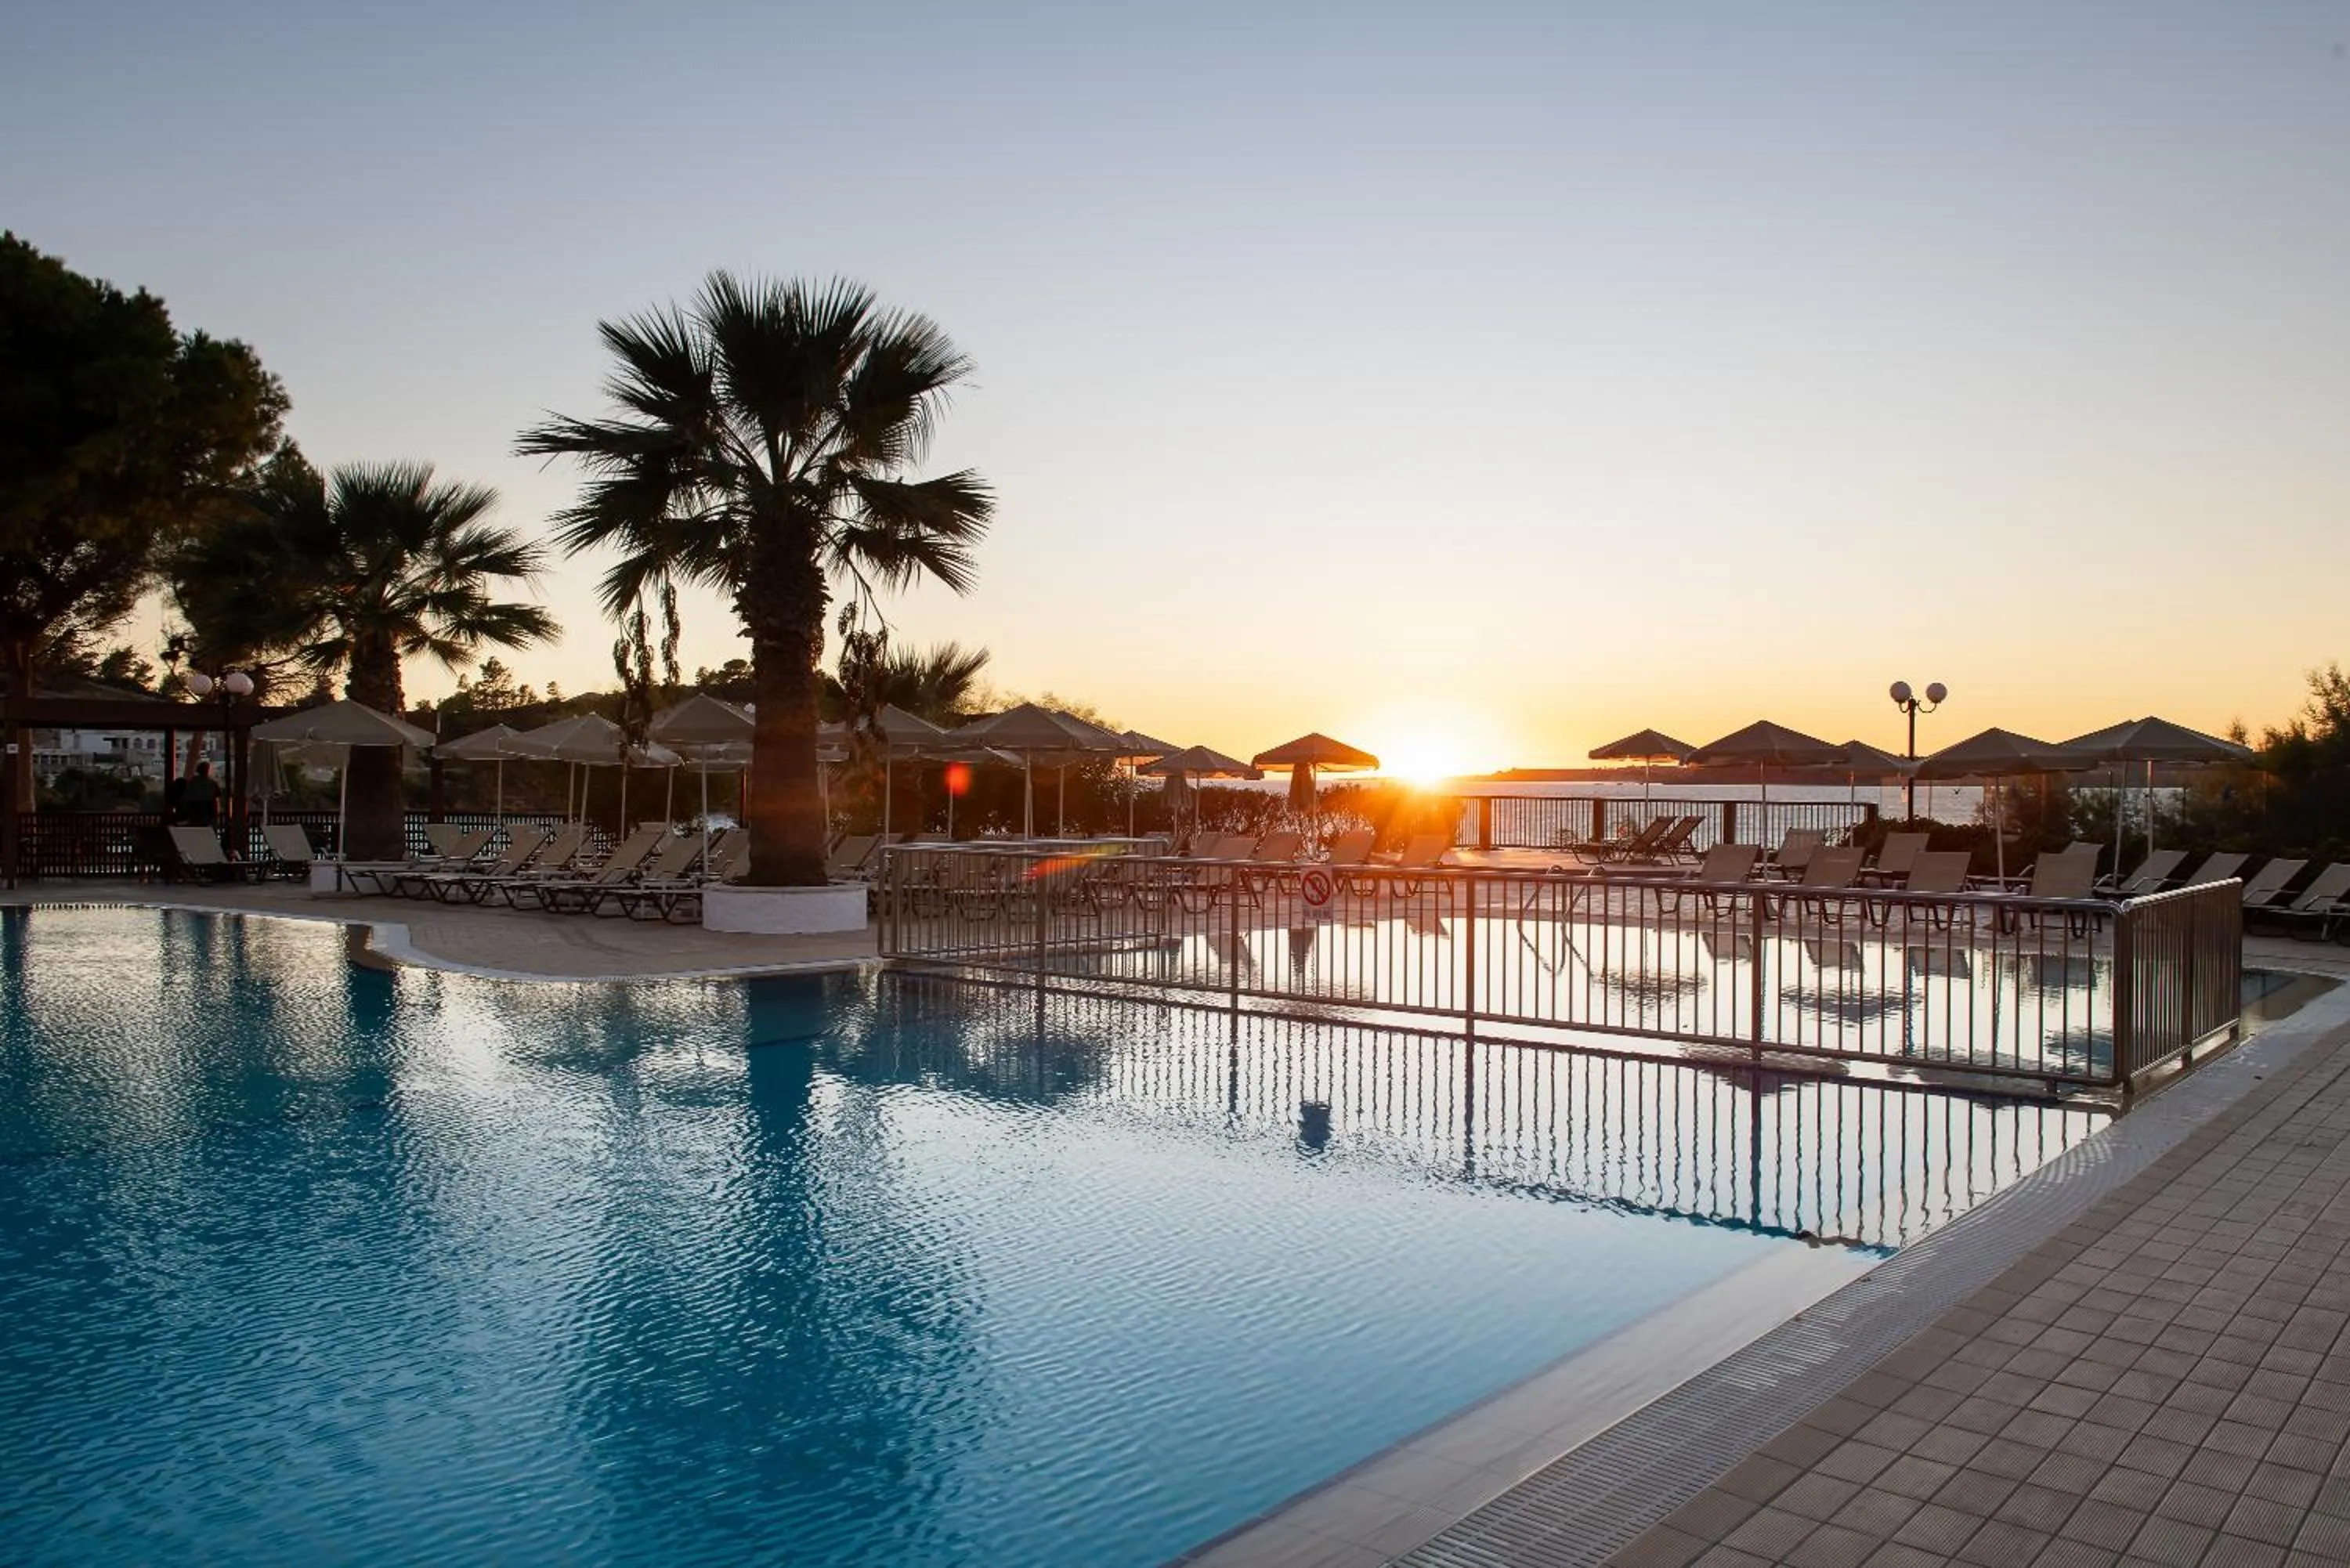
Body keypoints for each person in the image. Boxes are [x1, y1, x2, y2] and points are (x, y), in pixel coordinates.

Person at [179, 761, 220, 828]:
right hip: (207, 810)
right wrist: (215, 815)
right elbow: (215, 800)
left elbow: (185, 798)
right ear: (208, 771)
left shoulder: (192, 783)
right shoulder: (212, 783)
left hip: (194, 810)